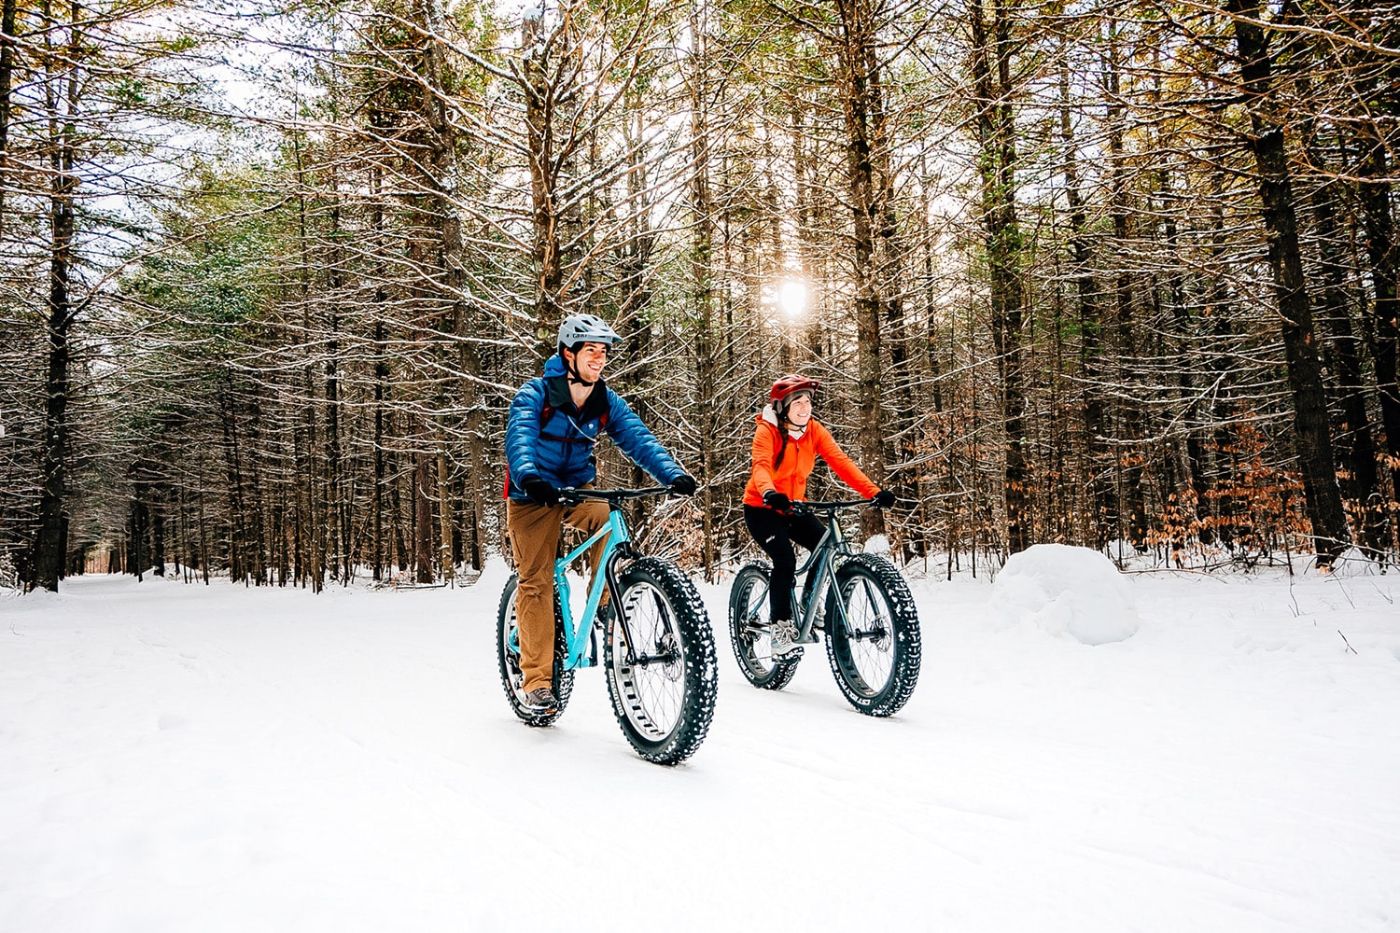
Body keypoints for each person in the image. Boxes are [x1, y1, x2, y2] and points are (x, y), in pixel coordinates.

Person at [505, 313, 697, 712]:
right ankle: (537, 681)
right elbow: (520, 437)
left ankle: (607, 604)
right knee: (536, 581)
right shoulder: (536, 394)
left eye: (604, 352)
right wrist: (528, 475)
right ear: (568, 353)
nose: (599, 358)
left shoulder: (604, 399)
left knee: (608, 523)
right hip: (533, 495)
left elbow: (638, 438)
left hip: (577, 489)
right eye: (591, 350)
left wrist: (672, 473)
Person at [742, 374, 895, 656]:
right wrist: (768, 492)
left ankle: (808, 601)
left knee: (825, 543)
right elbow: (760, 466)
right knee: (784, 559)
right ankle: (780, 626)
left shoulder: (814, 430)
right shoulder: (768, 431)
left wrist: (872, 491)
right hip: (762, 507)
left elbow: (841, 462)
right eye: (797, 402)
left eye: (808, 401)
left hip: (793, 506)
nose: (804, 407)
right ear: (782, 407)